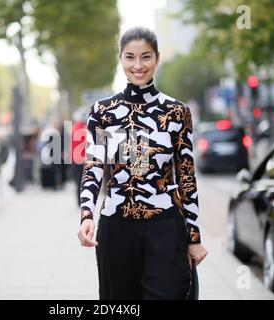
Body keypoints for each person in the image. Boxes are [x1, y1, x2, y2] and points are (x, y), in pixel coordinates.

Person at [77, 27, 208, 300]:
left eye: (146, 57)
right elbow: (93, 166)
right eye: (130, 57)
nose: (138, 66)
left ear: (157, 59)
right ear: (121, 59)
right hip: (116, 227)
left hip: (166, 228)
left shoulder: (177, 112)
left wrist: (193, 237)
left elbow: (186, 176)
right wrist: (87, 215)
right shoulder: (102, 112)